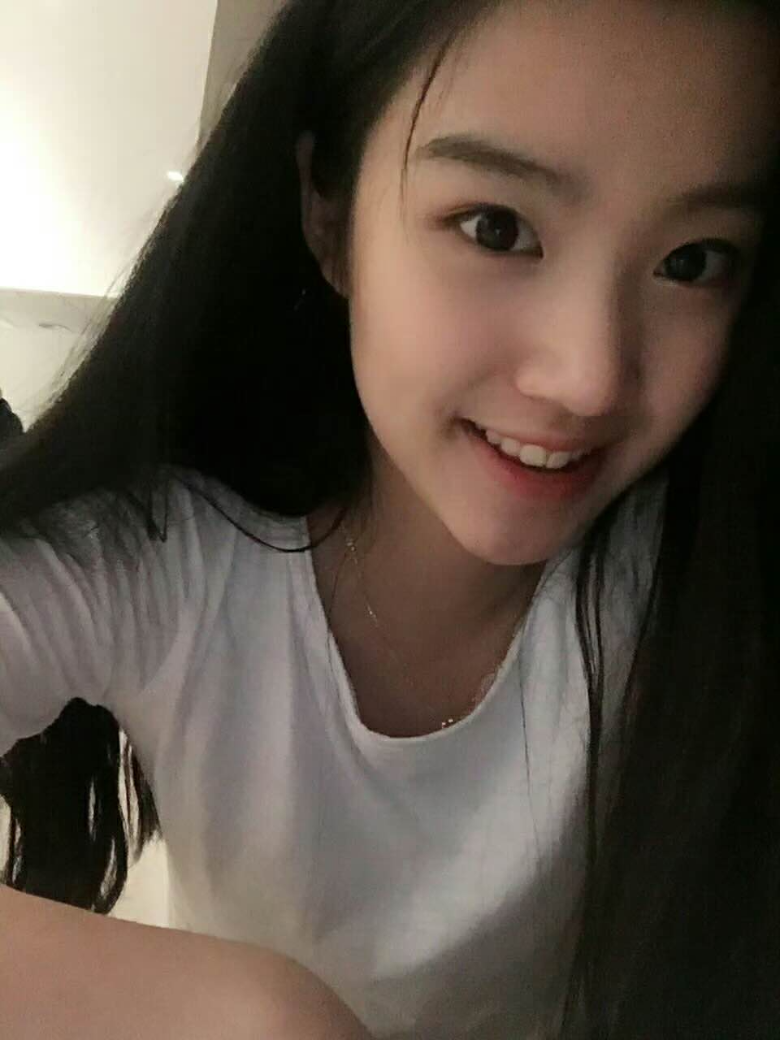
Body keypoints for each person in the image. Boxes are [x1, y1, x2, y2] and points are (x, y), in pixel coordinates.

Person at [0, 0, 778, 1036]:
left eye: (692, 261)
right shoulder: (160, 562)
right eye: (496, 227)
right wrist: (262, 1014)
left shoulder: (706, 592)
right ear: (329, 215)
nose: (589, 376)